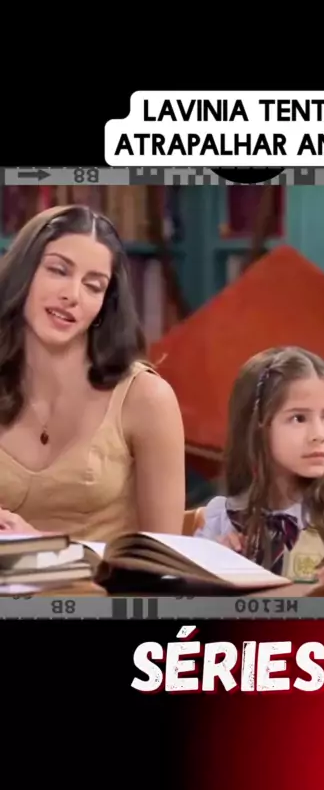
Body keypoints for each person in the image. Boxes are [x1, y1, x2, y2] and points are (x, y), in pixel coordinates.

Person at [0, 204, 185, 542]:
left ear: (104, 304)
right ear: (23, 273)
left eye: (93, 286)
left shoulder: (146, 399)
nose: (72, 295)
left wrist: (44, 549)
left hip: (101, 578)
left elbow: (164, 559)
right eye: (58, 270)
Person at [195, 346, 324, 587]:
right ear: (256, 426)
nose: (319, 435)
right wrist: (212, 575)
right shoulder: (223, 521)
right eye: (299, 418)